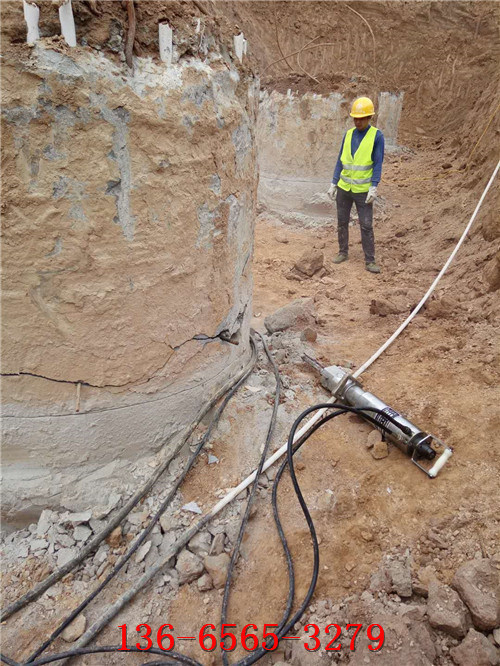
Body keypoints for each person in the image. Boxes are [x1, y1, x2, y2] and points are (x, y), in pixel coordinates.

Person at [327, 97, 385, 273]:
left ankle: (370, 261)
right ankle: (343, 252)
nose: (358, 122)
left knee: (366, 225)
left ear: (369, 118)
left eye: (362, 118)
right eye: (355, 118)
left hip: (362, 190)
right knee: (342, 221)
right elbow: (340, 160)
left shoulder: (377, 136)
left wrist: (374, 186)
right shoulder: (349, 134)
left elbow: (377, 163)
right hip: (345, 187)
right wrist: (334, 182)